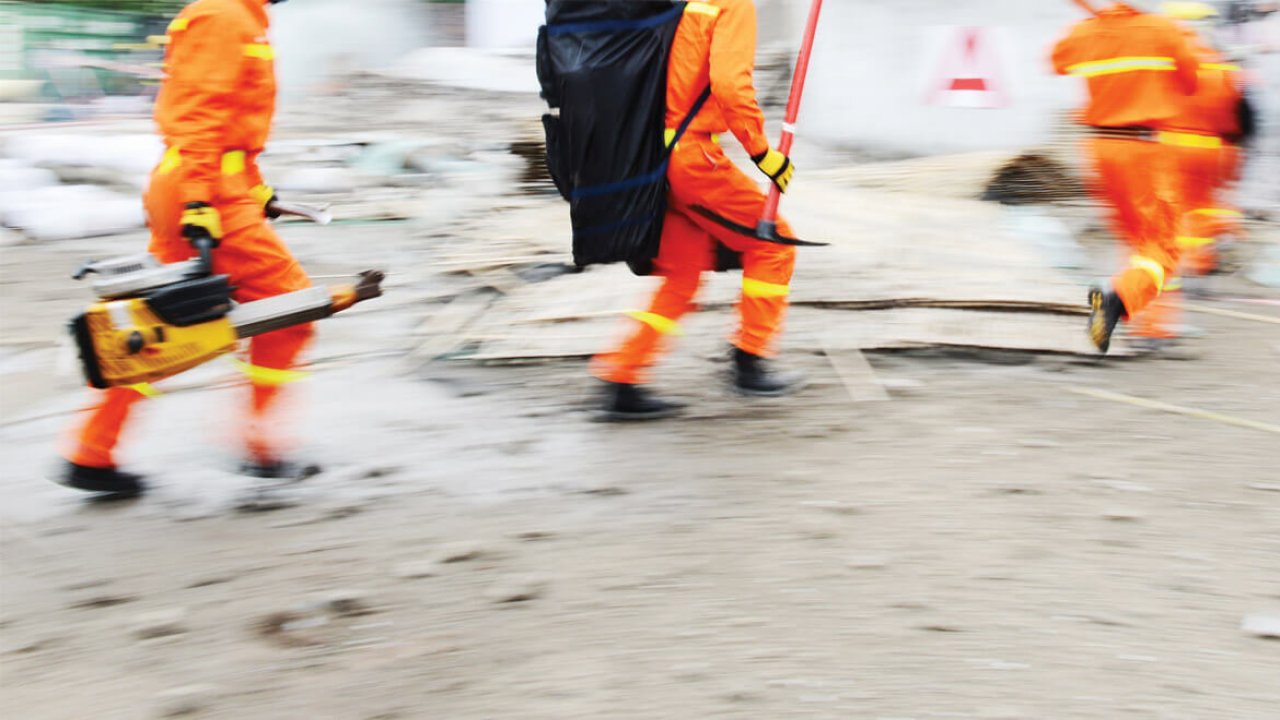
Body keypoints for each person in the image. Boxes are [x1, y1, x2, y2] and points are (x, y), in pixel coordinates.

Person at [58, 0, 311, 498]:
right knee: (290, 311)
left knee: (168, 321)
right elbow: (200, 115)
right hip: (206, 189)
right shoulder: (224, 16)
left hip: (213, 185)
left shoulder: (238, 16)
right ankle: (258, 446)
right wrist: (200, 202)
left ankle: (91, 451)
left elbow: (232, 130)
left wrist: (260, 194)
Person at [591, 0, 804, 419]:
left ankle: (621, 375)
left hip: (646, 158)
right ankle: (750, 359)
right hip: (689, 158)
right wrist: (764, 154)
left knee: (682, 274)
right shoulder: (732, 4)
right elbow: (730, 85)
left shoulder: (672, 6)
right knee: (774, 243)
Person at [1052, 1, 1201, 353]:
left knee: (1138, 242)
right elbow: (1191, 80)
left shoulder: (1084, 31)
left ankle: (1151, 329)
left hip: (1099, 148)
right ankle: (1117, 298)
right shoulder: (1161, 29)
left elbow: (1058, 61)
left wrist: (1101, 27)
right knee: (1163, 247)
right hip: (1143, 148)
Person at [1130, 2, 1248, 342]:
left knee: (1165, 223)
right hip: (1211, 149)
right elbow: (1233, 115)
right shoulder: (1220, 64)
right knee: (1202, 209)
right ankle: (1200, 266)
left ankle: (1159, 309)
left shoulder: (1164, 63)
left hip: (1170, 146)